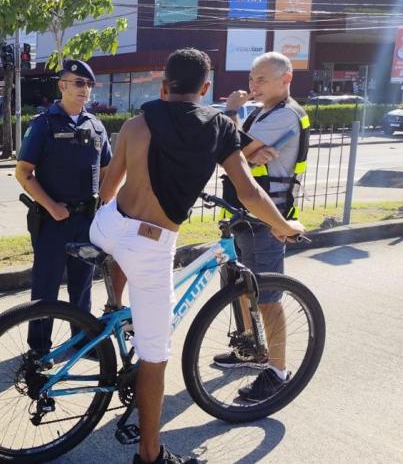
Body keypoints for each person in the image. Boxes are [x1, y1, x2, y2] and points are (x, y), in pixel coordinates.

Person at [92, 48, 305, 464]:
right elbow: (249, 192)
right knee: (156, 357)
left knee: (121, 248)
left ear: (164, 85)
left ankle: (116, 307)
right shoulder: (220, 129)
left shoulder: (135, 124)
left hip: (108, 225)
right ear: (206, 88)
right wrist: (283, 225)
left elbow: (108, 186)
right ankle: (150, 456)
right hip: (150, 244)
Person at [214, 52, 311, 402]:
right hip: (246, 213)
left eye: (262, 79)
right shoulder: (261, 112)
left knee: (268, 297)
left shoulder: (285, 114)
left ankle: (277, 372)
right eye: (252, 78)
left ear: (286, 80)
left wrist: (230, 115)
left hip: (266, 217)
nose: (253, 85)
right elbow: (236, 152)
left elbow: (231, 145)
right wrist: (244, 150)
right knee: (242, 288)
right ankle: (250, 349)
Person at [15, 59, 112, 353]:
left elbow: (107, 169)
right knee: (45, 288)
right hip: (53, 221)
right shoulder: (44, 124)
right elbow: (24, 173)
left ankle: (81, 341)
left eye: (89, 85)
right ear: (62, 85)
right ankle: (39, 348)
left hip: (86, 220)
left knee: (82, 286)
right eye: (79, 83)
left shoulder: (96, 126)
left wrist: (104, 204)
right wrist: (51, 205)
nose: (85, 90)